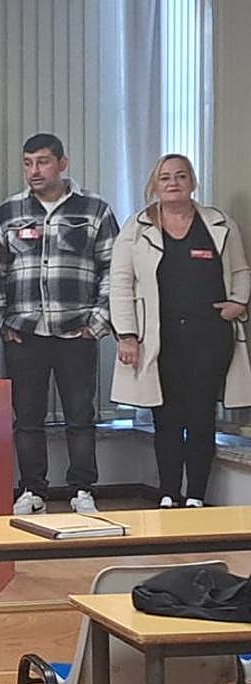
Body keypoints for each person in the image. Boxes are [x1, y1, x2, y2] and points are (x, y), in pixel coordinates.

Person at [111, 153, 251, 508]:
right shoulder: (137, 226)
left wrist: (238, 302)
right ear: (154, 185)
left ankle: (196, 496)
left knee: (202, 416)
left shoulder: (219, 223)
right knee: (167, 418)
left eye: (181, 176)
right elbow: (121, 282)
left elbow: (240, 271)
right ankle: (169, 493)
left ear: (193, 182)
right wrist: (127, 334)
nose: (173, 183)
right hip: (160, 338)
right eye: (165, 177)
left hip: (209, 336)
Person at [0, 132, 119, 515]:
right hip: (24, 333)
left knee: (80, 415)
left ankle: (82, 488)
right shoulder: (8, 212)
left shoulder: (95, 210)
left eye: (43, 162)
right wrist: (1, 320)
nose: (34, 170)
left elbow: (113, 269)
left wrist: (98, 322)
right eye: (28, 163)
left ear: (63, 164)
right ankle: (33, 489)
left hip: (75, 330)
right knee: (27, 418)